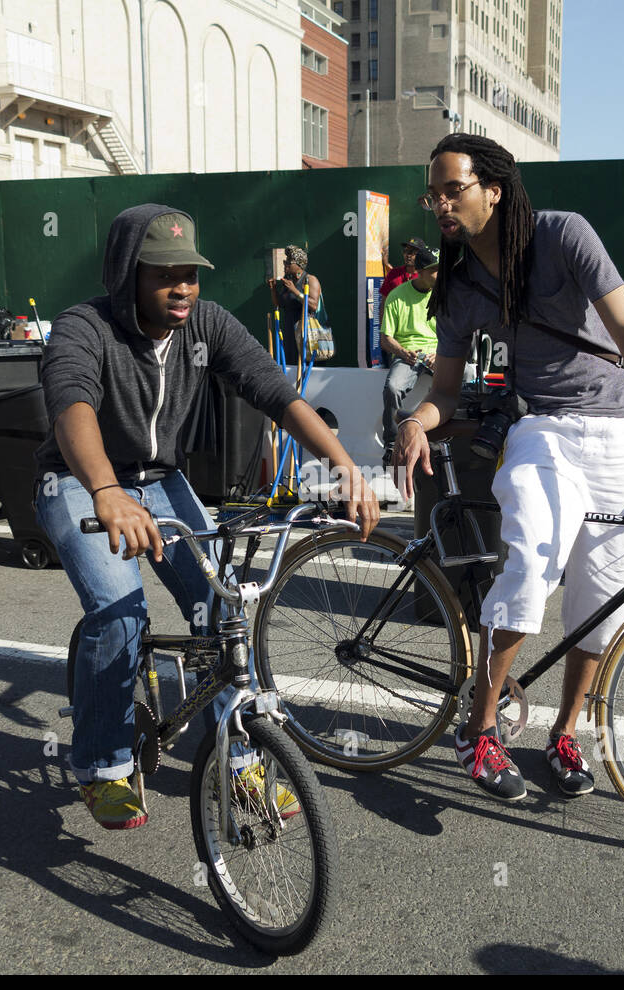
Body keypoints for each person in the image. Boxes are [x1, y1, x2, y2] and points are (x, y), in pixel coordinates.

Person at [33, 205, 379, 830]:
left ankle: (238, 756)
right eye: (166, 273)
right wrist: (106, 489)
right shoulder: (82, 327)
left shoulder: (207, 324)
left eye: (191, 272)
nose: (184, 286)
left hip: (161, 481)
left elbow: (275, 391)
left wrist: (344, 466)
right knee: (119, 612)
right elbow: (72, 405)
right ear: (126, 274)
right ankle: (105, 766)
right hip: (81, 481)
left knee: (223, 608)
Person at [394, 133, 624, 803]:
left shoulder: (564, 236)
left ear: (495, 189)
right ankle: (479, 730)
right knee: (531, 561)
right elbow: (444, 393)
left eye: (452, 189)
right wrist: (414, 423)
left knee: (605, 599)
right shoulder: (456, 287)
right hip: (546, 428)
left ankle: (565, 730)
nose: (441, 205)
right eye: (434, 194)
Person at [380, 245, 440, 464]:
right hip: (407, 355)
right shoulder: (396, 296)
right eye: (435, 270)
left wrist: (440, 354)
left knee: (466, 380)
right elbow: (385, 339)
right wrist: (403, 352)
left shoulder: (445, 295)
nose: (439, 274)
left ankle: (442, 439)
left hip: (440, 353)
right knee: (392, 387)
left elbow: (457, 336)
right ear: (421, 272)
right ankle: (392, 443)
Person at [274, 245, 323, 365]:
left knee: (306, 367)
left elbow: (313, 305)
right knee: (290, 364)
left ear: (299, 265)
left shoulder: (310, 280)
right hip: (290, 332)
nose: (285, 265)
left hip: (306, 334)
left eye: (289, 262)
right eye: (285, 261)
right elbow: (279, 304)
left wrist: (295, 291)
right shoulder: (289, 281)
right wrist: (273, 289)